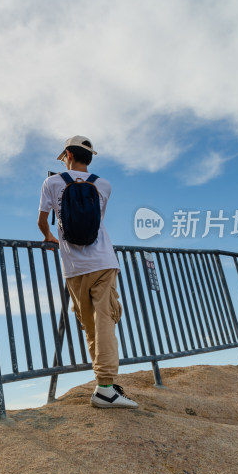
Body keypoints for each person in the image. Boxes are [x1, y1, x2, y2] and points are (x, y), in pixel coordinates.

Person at [37, 136, 138, 409]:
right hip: (103, 262)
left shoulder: (52, 182)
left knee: (90, 326)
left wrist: (50, 237)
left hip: (73, 267)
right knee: (105, 321)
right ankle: (105, 386)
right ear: (89, 157)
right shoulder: (103, 185)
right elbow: (97, 222)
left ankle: (103, 384)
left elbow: (42, 222)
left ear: (68, 154)